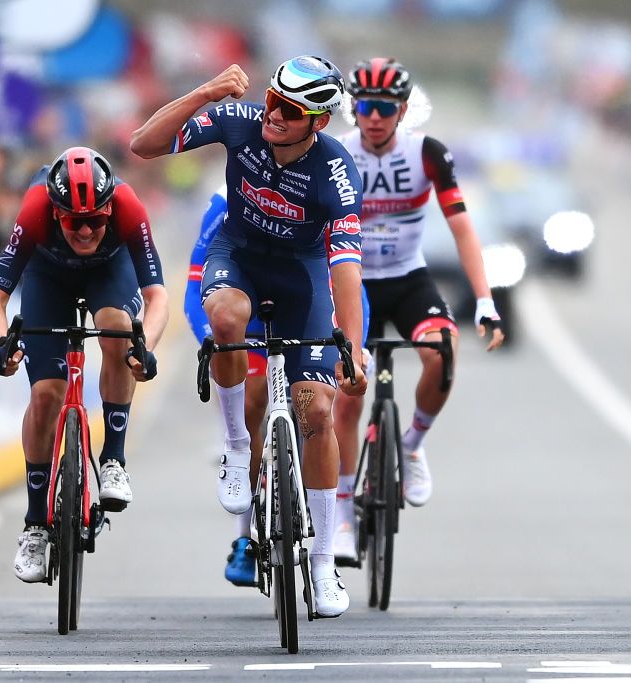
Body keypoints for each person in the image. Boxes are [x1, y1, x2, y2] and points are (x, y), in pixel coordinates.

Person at [132, 56, 367, 617]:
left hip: (301, 276)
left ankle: (322, 563)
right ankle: (239, 448)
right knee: (228, 320)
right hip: (236, 255)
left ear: (319, 123)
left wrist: (353, 347)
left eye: (290, 110)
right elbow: (144, 144)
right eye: (271, 99)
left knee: (316, 411)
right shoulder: (241, 120)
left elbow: (345, 270)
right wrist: (205, 90)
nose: (274, 114)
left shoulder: (335, 173)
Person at [331, 58, 504, 564]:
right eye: (365, 106)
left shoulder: (426, 152)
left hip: (408, 277)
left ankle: (410, 444)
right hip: (353, 282)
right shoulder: (335, 154)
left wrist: (487, 301)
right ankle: (340, 511)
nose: (375, 117)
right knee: (347, 387)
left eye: (386, 108)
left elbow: (463, 227)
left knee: (443, 353)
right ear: (353, 108)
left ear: (403, 110)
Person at [0, 146, 168, 583]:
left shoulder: (127, 206)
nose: (85, 231)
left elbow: (157, 295)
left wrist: (147, 347)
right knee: (46, 394)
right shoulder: (34, 209)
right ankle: (34, 526)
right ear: (55, 213)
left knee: (118, 329)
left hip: (110, 274)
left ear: (109, 209)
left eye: (95, 221)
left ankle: (114, 460)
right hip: (50, 280)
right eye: (72, 222)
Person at [186, 184, 373, 588]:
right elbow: (195, 285)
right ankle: (244, 537)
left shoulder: (320, 192)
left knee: (317, 410)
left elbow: (352, 285)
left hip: (307, 305)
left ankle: (325, 554)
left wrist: (354, 350)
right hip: (249, 315)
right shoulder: (226, 199)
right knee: (252, 403)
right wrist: (214, 337)